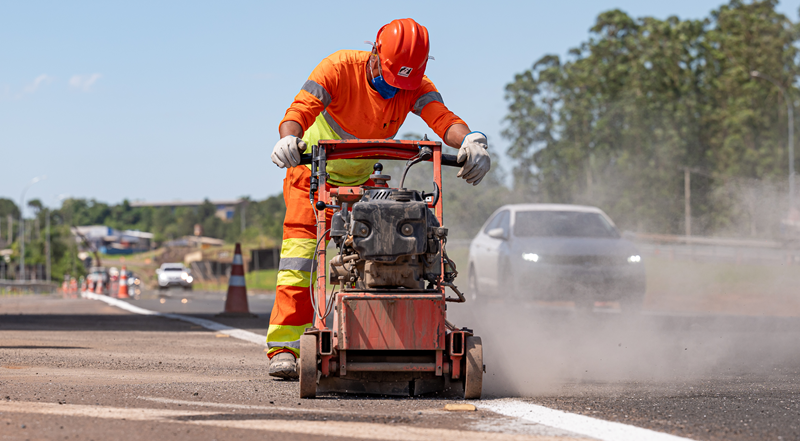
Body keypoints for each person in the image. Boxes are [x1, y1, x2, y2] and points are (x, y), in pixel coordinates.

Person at [268, 18, 491, 378]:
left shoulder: (414, 84)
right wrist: (288, 138)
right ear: (374, 53)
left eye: (402, 84)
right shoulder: (338, 68)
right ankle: (284, 349)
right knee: (300, 261)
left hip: (363, 181)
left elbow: (443, 119)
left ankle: (380, 331)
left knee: (387, 246)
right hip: (311, 174)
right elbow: (298, 111)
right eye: (389, 80)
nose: (394, 90)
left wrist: (471, 139)